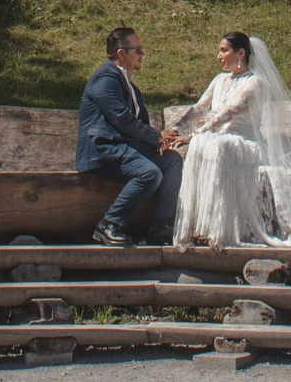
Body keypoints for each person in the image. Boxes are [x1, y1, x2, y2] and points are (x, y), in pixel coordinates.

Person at [75, 26, 180, 245]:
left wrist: (158, 142)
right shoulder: (105, 79)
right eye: (138, 50)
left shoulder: (129, 85)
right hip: (104, 151)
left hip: (125, 149)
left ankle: (161, 229)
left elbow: (138, 123)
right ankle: (110, 224)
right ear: (121, 53)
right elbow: (121, 118)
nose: (142, 54)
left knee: (171, 160)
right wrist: (155, 136)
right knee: (149, 173)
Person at [169, 31, 269, 245]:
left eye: (224, 50)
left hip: (244, 142)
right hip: (219, 139)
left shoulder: (255, 83)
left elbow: (228, 113)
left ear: (241, 53)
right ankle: (198, 226)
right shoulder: (219, 80)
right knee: (210, 144)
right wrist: (177, 128)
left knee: (213, 146)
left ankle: (219, 231)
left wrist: (194, 135)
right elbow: (200, 108)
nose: (219, 56)